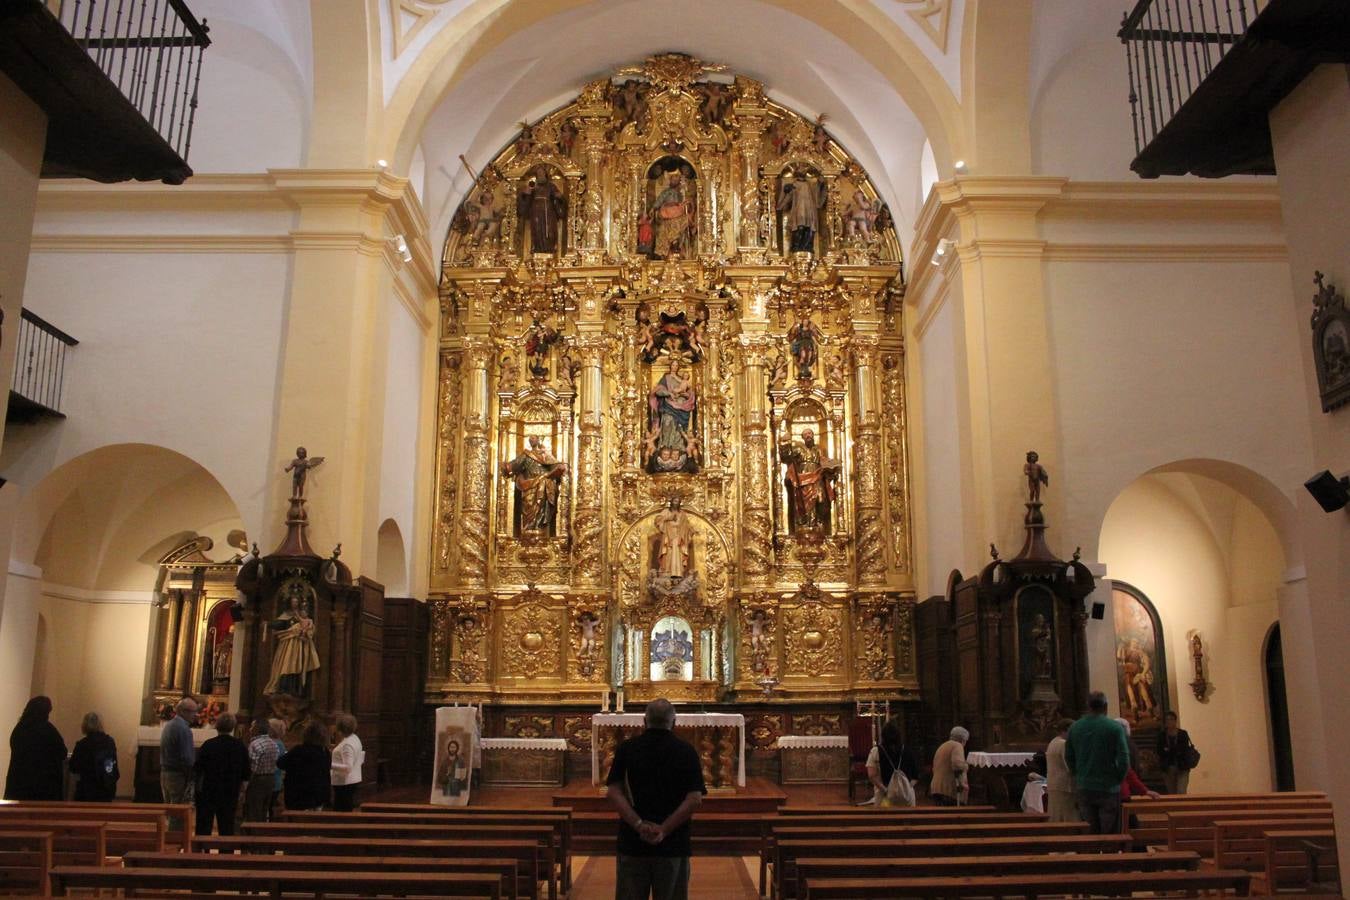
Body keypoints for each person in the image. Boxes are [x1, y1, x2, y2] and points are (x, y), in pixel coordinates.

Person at [606, 698, 707, 900]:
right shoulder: (686, 751)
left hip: (633, 840)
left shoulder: (627, 749)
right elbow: (695, 798)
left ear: (644, 721)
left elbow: (614, 792)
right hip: (673, 842)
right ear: (674, 722)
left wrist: (638, 824)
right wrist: (664, 829)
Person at [1065, 691, 1130, 834]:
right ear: (1105, 706)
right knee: (1110, 832)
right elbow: (1124, 759)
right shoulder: (1114, 727)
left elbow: (1069, 756)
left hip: (1084, 785)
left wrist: (1078, 775)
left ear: (1088, 706)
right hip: (1109, 787)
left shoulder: (1075, 727)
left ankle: (1091, 855)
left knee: (1089, 831)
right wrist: (1117, 778)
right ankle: (1109, 855)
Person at [193, 713, 249, 836]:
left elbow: (198, 768)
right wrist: (242, 790)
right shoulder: (239, 746)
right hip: (230, 789)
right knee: (227, 824)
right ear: (233, 727)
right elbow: (246, 772)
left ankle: (202, 850)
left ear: (217, 726)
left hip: (209, 789)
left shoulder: (208, 744)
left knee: (204, 823)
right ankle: (226, 851)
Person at [4, 696, 67, 800]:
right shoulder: (49, 730)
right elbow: (62, 752)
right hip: (44, 787)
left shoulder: (20, 728)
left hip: (19, 784)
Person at [277, 720, 331, 811]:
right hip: (318, 795)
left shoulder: (299, 750)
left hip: (298, 795)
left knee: (297, 822)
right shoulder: (325, 752)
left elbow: (280, 763)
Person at [865, 717, 919, 806]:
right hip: (907, 799)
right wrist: (906, 788)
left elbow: (871, 775)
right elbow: (915, 776)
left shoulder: (876, 751)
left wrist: (886, 790)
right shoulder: (907, 750)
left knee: (885, 819)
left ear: (883, 736)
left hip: (885, 798)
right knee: (907, 819)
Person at [69, 711, 119, 801]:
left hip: (86, 791)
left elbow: (73, 767)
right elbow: (112, 767)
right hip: (105, 789)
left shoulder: (82, 744)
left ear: (85, 725)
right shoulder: (109, 742)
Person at [159, 696, 197, 805]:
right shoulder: (183, 728)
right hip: (177, 776)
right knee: (178, 813)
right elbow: (186, 758)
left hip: (166, 773)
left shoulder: (170, 725)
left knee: (169, 809)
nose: (195, 715)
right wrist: (191, 776)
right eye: (193, 712)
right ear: (183, 712)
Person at [1115, 717, 1161, 805]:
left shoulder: (1117, 746)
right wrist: (1145, 790)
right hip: (1121, 793)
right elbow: (1128, 771)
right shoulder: (1127, 744)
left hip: (1111, 794)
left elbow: (1128, 771)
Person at [243, 718, 279, 822]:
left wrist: (246, 783)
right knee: (264, 809)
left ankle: (253, 834)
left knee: (254, 810)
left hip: (258, 780)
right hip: (270, 779)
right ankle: (262, 831)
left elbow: (253, 766)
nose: (250, 729)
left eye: (252, 726)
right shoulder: (273, 743)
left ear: (257, 728)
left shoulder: (255, 744)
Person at [1044, 718, 1077, 823]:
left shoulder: (1053, 742)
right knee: (1068, 817)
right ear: (1067, 729)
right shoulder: (1064, 744)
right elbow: (1070, 766)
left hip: (1055, 784)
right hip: (1065, 786)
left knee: (1056, 815)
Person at [330, 713, 364, 811]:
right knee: (345, 808)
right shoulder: (354, 738)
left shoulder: (347, 744)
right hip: (350, 781)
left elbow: (348, 767)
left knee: (341, 810)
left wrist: (329, 764)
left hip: (344, 782)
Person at [1156, 710, 1194, 795]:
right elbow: (1159, 750)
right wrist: (1169, 750)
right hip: (1168, 767)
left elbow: (1183, 748)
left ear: (1175, 721)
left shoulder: (1182, 734)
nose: (1169, 722)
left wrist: (1168, 749)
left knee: (1181, 790)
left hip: (1182, 766)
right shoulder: (1162, 735)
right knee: (1172, 792)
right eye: (1167, 720)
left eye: (1171, 719)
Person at [930, 726, 970, 806]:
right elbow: (957, 766)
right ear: (962, 739)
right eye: (965, 741)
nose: (965, 744)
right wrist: (966, 766)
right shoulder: (957, 746)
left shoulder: (942, 746)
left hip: (936, 787)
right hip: (949, 790)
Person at [268, 718, 287, 818]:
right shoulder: (279, 742)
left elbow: (275, 764)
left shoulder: (276, 744)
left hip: (272, 779)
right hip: (275, 779)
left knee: (268, 807)